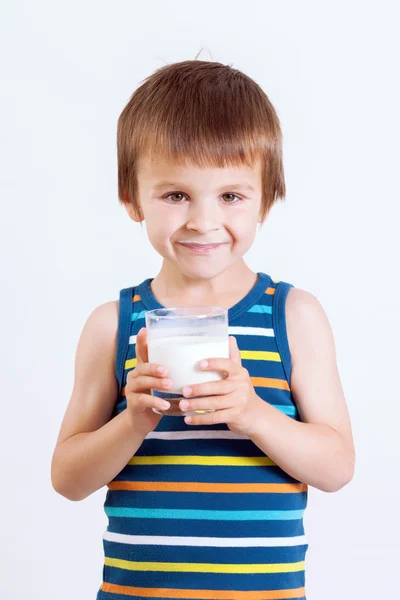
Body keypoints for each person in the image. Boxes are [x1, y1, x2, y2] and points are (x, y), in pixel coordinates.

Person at [51, 58, 355, 600]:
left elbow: (335, 468)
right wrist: (133, 422)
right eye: (176, 195)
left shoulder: (292, 316)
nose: (203, 220)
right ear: (131, 198)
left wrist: (252, 413)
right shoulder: (113, 325)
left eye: (231, 196)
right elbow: (68, 479)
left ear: (266, 198)